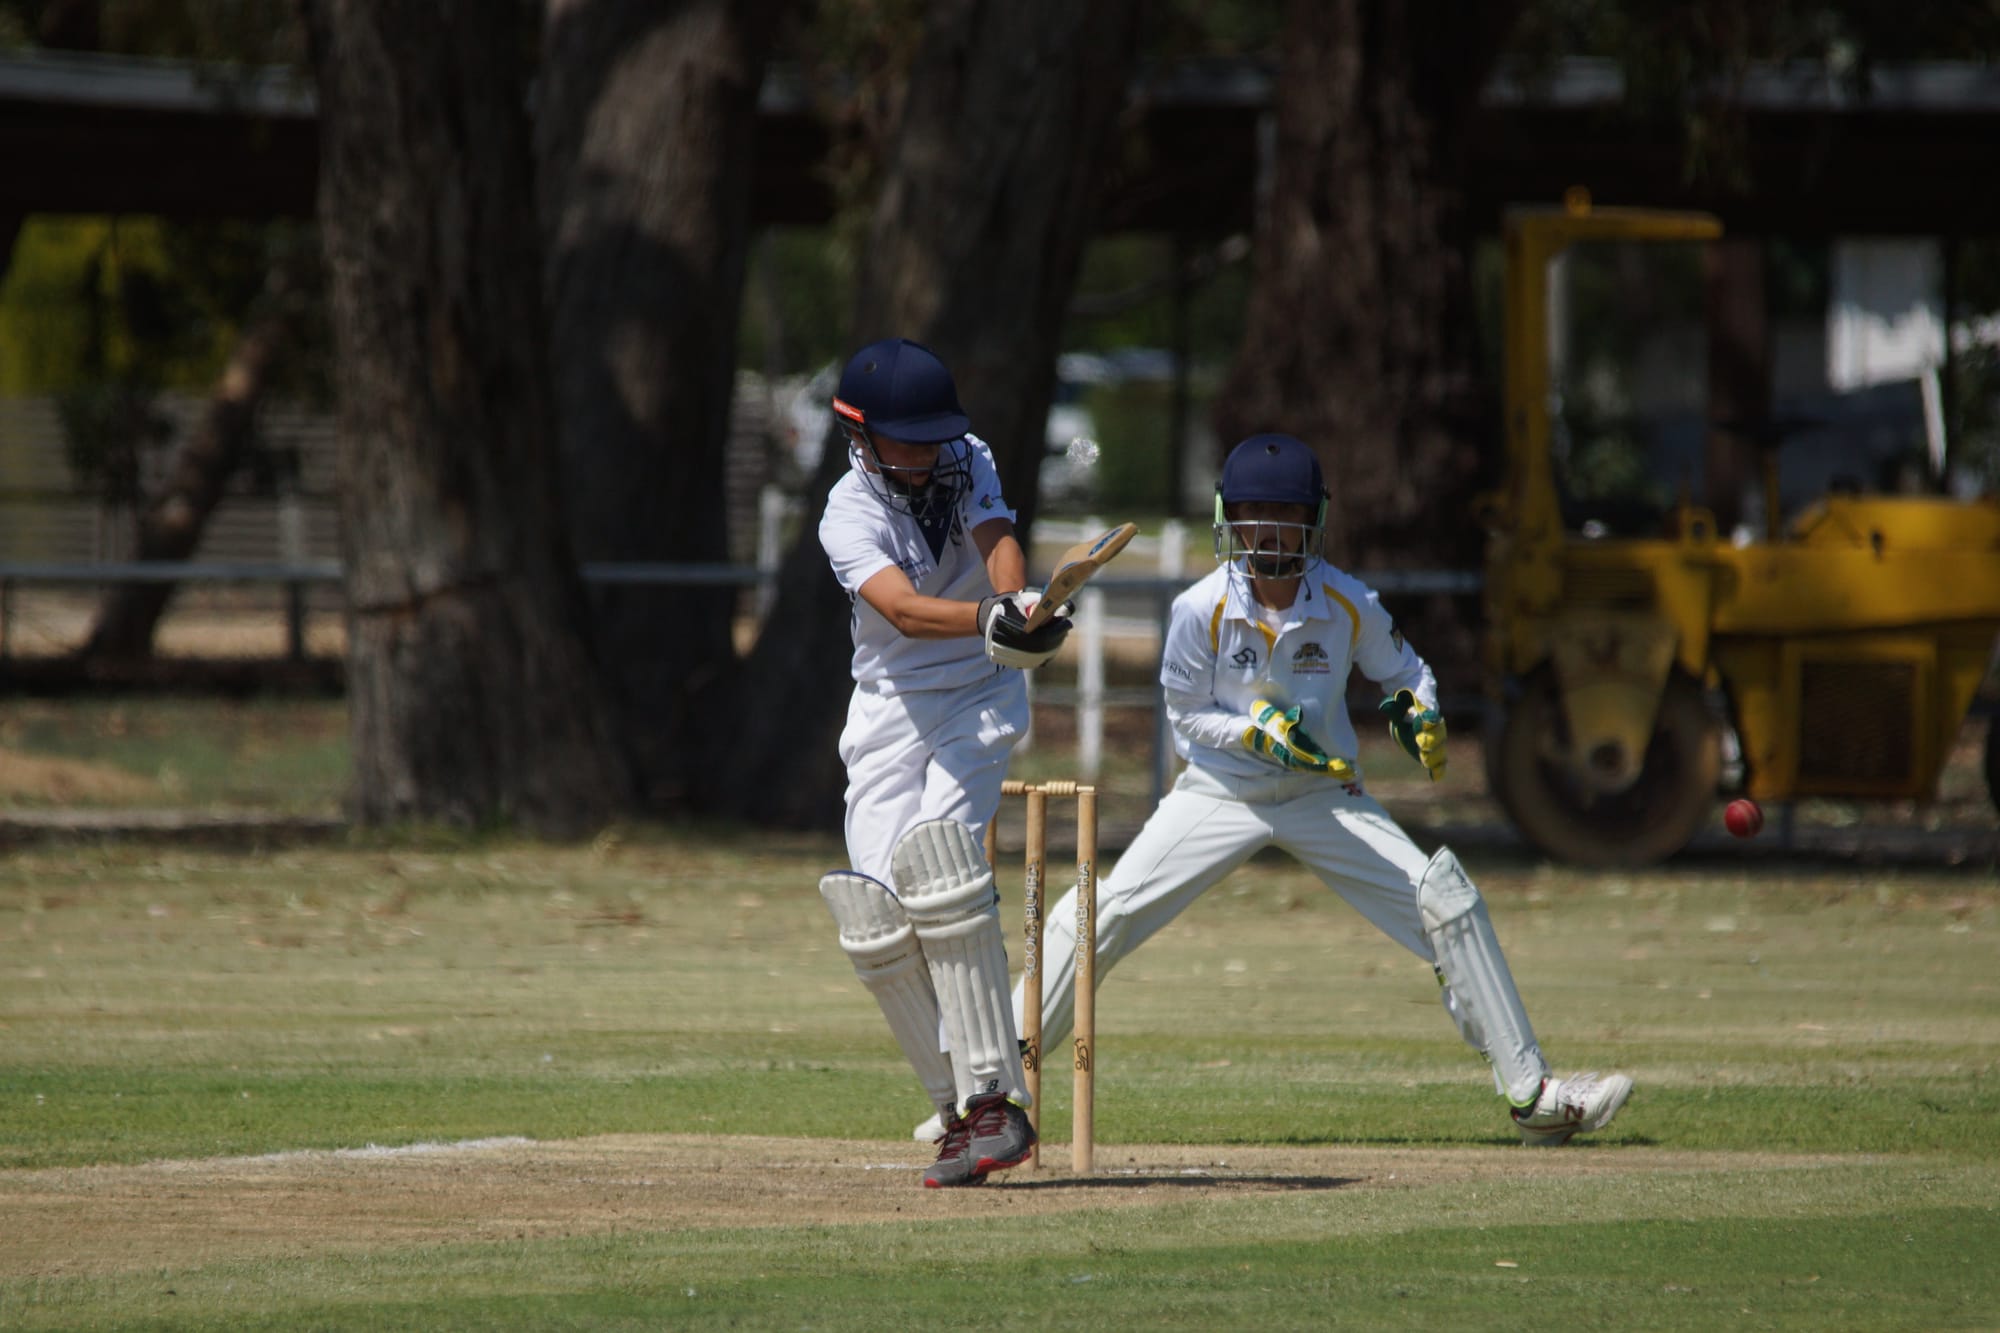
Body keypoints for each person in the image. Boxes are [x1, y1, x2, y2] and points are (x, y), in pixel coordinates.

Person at [1007, 432, 1632, 1146]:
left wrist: (1417, 713)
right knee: (1100, 909)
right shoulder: (1198, 608)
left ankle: (1533, 1094)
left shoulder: (1347, 601)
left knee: (1445, 897)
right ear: (1228, 518)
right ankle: (992, 1086)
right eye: (1253, 513)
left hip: (1321, 795)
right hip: (1220, 793)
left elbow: (1407, 673)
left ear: (1314, 521)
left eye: (1286, 513)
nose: (1269, 531)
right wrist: (1253, 734)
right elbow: (1186, 719)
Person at [811, 337, 1075, 1187]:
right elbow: (904, 610)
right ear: (860, 435)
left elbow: (999, 538)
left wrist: (1014, 604)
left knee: (941, 867)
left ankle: (1000, 1104)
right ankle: (961, 1106)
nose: (926, 453)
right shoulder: (846, 513)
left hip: (979, 693)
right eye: (907, 439)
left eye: (934, 435)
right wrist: (988, 618)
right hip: (890, 704)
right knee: (877, 916)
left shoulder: (969, 458)